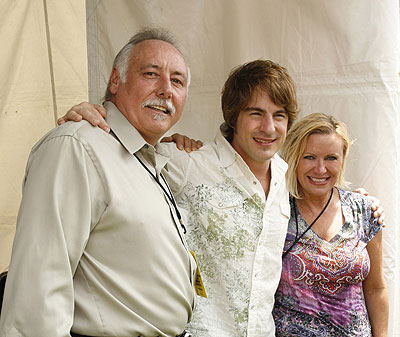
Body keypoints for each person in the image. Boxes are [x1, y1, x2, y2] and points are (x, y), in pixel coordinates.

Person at [58, 61, 384, 336]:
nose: (269, 127)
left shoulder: (286, 179)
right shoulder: (187, 162)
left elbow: (320, 186)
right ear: (233, 116)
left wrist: (359, 202)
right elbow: (123, 150)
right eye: (256, 113)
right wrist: (97, 118)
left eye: (280, 115)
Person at [0, 28, 197, 337]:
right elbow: (38, 287)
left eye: (177, 81)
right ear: (115, 81)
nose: (165, 90)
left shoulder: (150, 159)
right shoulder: (77, 146)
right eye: (151, 74)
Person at [273, 113, 388, 336]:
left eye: (331, 158)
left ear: (343, 159)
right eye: (309, 157)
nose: (320, 169)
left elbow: (376, 288)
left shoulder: (364, 211)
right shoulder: (276, 211)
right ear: (294, 158)